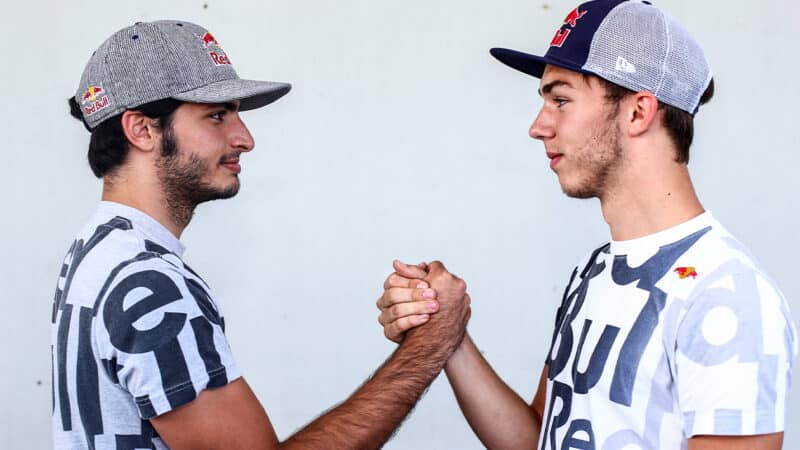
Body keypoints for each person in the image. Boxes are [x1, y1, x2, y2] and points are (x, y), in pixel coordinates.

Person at [377, 0, 797, 448]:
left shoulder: (727, 296)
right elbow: (537, 440)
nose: (538, 126)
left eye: (561, 100)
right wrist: (448, 335)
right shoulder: (594, 270)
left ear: (638, 112)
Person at [52, 20, 471, 449]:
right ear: (142, 130)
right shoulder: (147, 283)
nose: (245, 138)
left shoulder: (98, 250)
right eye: (216, 115)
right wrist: (429, 346)